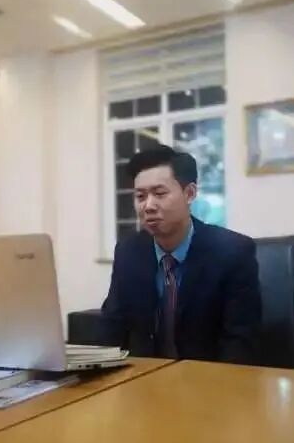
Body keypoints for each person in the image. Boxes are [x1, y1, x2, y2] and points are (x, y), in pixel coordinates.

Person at [102, 145, 262, 364]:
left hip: (207, 377)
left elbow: (240, 342)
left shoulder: (233, 252)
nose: (148, 206)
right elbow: (112, 325)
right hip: (144, 377)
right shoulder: (128, 252)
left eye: (160, 194)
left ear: (190, 193)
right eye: (140, 196)